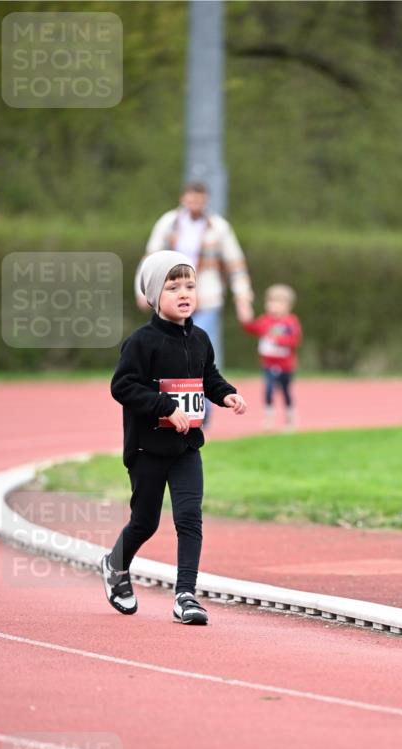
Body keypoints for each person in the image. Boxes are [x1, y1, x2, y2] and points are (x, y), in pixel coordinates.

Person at [102, 250, 247, 625]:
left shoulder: (199, 339)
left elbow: (207, 376)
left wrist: (226, 393)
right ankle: (116, 564)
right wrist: (164, 407)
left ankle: (185, 595)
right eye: (173, 286)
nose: (184, 293)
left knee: (189, 518)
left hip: (185, 448)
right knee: (145, 522)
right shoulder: (141, 342)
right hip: (147, 448)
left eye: (190, 285)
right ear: (153, 295)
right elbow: (123, 386)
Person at [134, 182, 254, 371]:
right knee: (169, 346)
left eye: (199, 200)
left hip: (207, 295)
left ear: (205, 201)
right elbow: (151, 257)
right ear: (183, 199)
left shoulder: (219, 227)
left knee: (201, 346)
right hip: (171, 295)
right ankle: (171, 397)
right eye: (191, 199)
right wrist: (142, 290)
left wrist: (243, 299)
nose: (195, 204)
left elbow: (235, 264)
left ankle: (205, 399)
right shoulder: (168, 223)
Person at [241, 284, 301, 431]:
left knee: (285, 391)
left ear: (288, 306)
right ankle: (269, 417)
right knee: (268, 389)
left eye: (278, 303)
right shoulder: (265, 320)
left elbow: (294, 341)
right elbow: (252, 328)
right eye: (271, 302)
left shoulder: (290, 322)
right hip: (268, 364)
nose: (273, 306)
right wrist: (245, 316)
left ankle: (290, 417)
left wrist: (277, 340)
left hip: (286, 366)